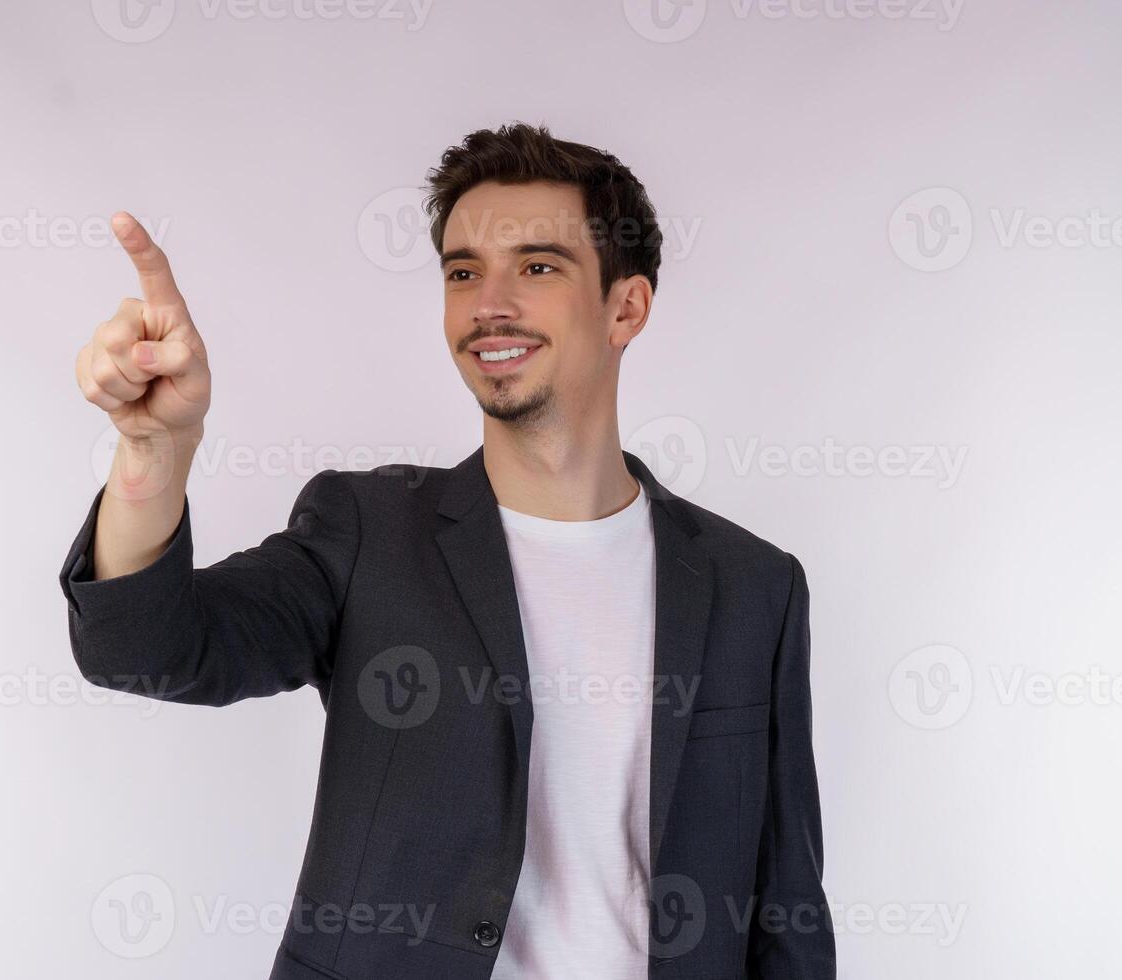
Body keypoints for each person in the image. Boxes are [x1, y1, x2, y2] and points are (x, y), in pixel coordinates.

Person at [59, 122, 836, 980]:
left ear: (627, 307)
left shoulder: (753, 585)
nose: (487, 304)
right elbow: (146, 650)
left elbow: (787, 905)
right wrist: (152, 453)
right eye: (463, 272)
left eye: (537, 267)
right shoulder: (369, 529)